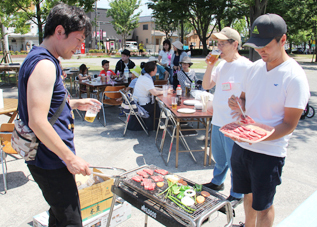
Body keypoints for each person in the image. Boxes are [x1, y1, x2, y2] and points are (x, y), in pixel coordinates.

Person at [17, 3, 101, 226]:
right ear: (60, 31)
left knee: (58, 215)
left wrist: (73, 103)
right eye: (79, 38)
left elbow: (45, 105)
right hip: (49, 159)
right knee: (71, 221)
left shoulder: (42, 57)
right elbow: (37, 121)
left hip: (51, 156)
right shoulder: (44, 64)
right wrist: (70, 158)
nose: (81, 45)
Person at [227, 14, 310, 227]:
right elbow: (245, 98)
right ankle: (248, 224)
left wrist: (258, 135)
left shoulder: (294, 77)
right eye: (257, 46)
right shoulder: (254, 68)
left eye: (266, 46)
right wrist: (238, 104)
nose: (260, 51)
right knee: (248, 194)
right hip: (241, 145)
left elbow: (289, 124)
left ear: (282, 40)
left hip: (269, 152)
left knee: (263, 205)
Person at [201, 27, 253, 207]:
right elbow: (207, 85)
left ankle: (236, 193)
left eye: (223, 44)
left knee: (235, 161)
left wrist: (243, 107)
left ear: (235, 44)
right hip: (218, 120)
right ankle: (217, 181)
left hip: (235, 124)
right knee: (219, 156)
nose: (218, 47)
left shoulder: (247, 66)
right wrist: (209, 66)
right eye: (217, 43)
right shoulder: (221, 64)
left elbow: (254, 96)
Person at [128, 62, 168, 131]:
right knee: (156, 108)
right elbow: (154, 93)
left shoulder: (143, 76)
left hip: (137, 101)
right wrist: (165, 91)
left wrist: (162, 89)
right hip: (142, 104)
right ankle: (153, 127)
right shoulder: (147, 79)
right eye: (155, 69)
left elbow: (151, 88)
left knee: (156, 105)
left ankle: (153, 126)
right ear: (152, 71)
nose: (156, 70)